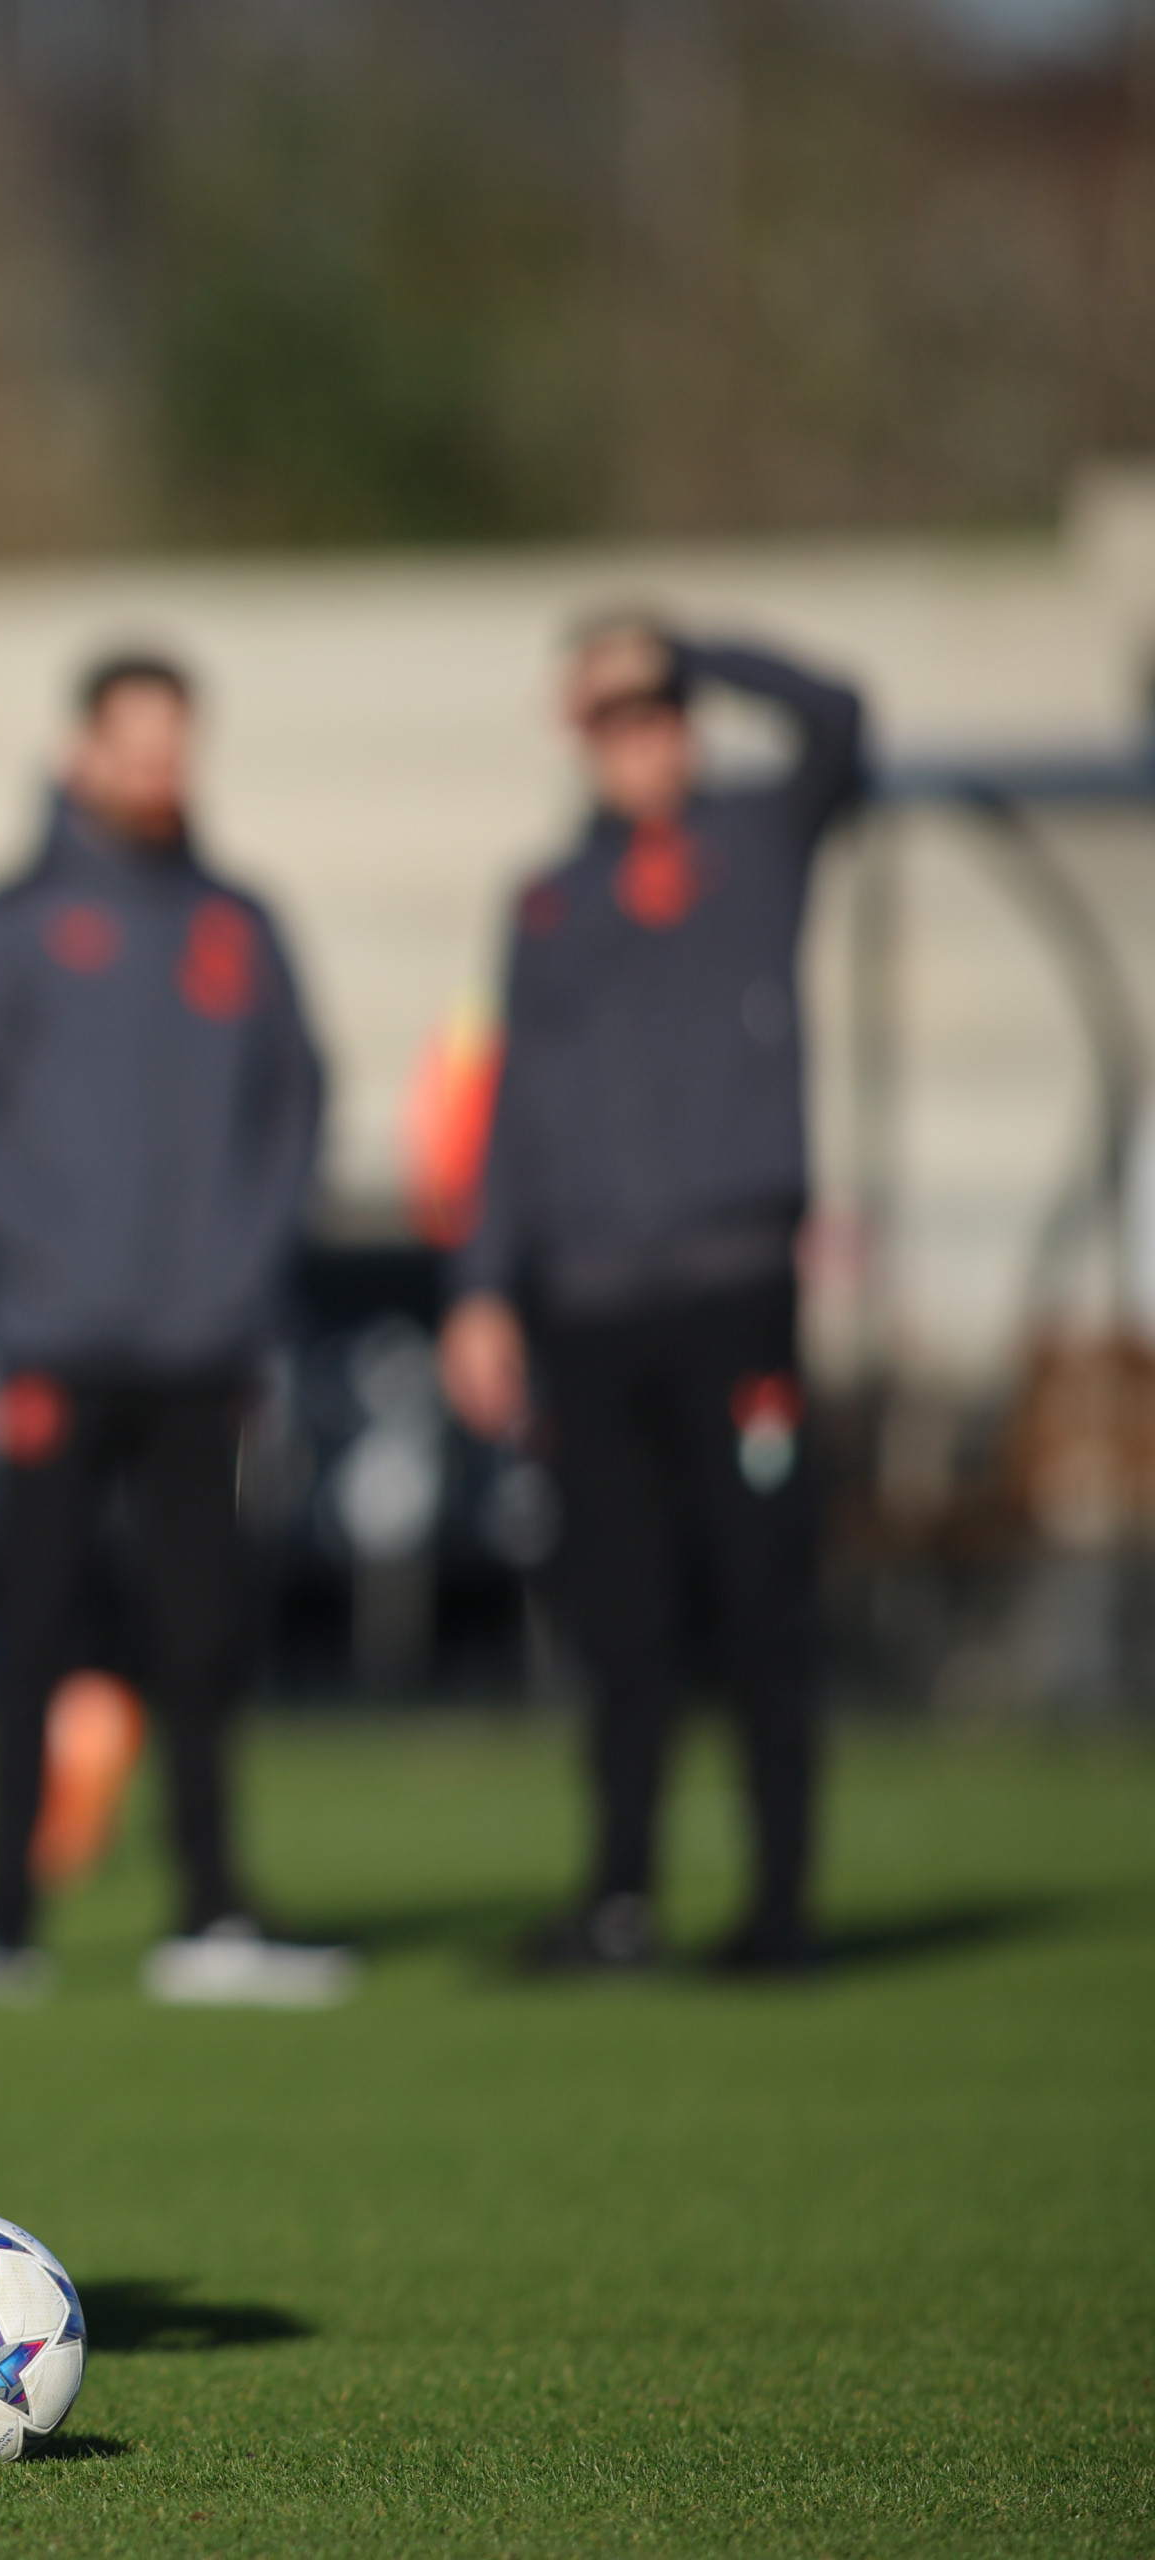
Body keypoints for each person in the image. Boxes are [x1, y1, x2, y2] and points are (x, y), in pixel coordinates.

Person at [0, 651, 351, 2010]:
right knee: (32, 1629)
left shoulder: (238, 926)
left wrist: (245, 1262)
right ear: (80, 750)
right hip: (56, 1338)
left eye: (175, 743)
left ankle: (213, 1912)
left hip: (206, 1344)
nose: (157, 768)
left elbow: (298, 1104)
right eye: (133, 742)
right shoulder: (9, 926)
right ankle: (4, 1920)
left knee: (203, 1631)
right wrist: (30, 1245)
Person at [439, 616, 864, 1976]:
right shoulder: (550, 901)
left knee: (759, 1594)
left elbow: (842, 715)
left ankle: (783, 1904)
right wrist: (483, 1288)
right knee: (620, 1614)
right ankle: (620, 1898)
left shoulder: (757, 842)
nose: (637, 743)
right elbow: (512, 1107)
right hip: (588, 1303)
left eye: (655, 713)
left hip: (730, 1289)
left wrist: (680, 642)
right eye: (610, 721)